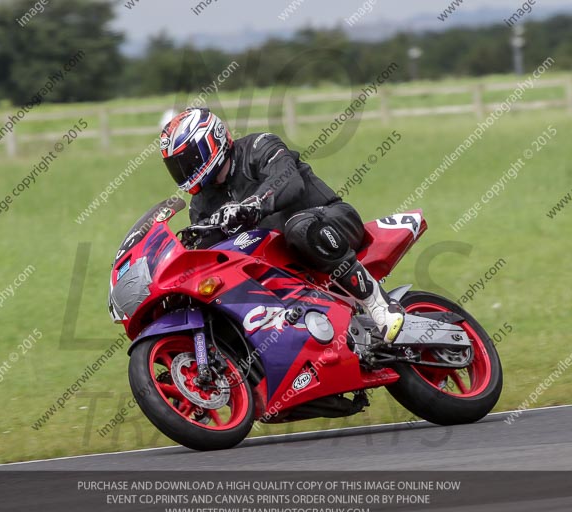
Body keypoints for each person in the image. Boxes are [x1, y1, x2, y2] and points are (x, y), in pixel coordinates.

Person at [159, 107, 404, 343]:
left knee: (298, 227)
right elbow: (208, 254)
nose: (185, 170)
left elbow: (288, 181)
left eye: (189, 159)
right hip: (282, 260)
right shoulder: (201, 202)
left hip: (330, 222)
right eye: (177, 166)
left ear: (212, 141)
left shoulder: (259, 146)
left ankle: (378, 304)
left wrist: (252, 205)